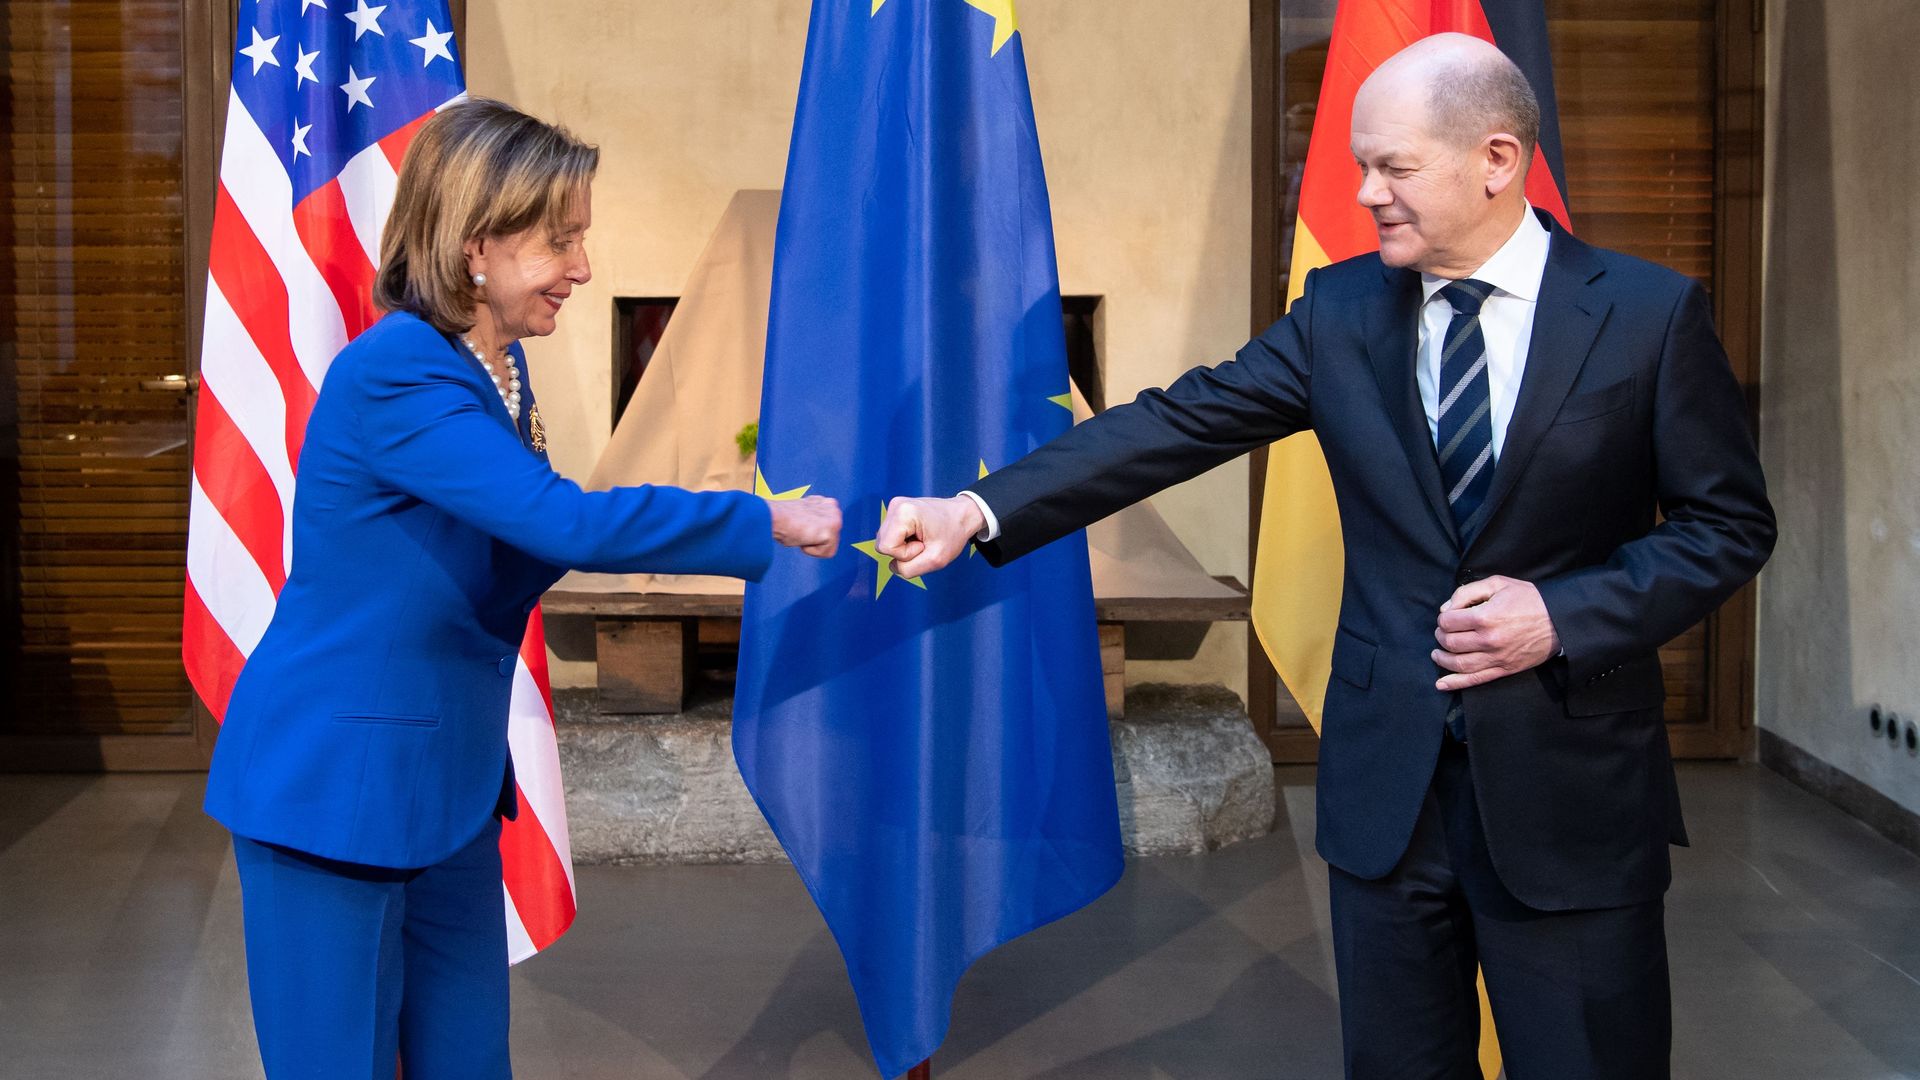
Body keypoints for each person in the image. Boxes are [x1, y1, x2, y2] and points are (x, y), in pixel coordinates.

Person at [877, 34, 1774, 1080]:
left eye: (1394, 168)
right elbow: (1175, 425)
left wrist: (1564, 615)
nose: (1364, 194)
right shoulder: (1342, 312)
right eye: (1360, 166)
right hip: (1388, 800)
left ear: (1495, 159)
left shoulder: (1649, 315)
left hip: (1573, 795)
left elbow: (1728, 526)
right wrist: (979, 509)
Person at [201, 99, 841, 1079]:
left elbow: (518, 548)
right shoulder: (400, 376)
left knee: (468, 1058)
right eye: (560, 241)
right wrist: (761, 519)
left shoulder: (490, 369)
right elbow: (561, 524)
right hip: (335, 792)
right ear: (475, 249)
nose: (582, 268)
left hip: (445, 786)